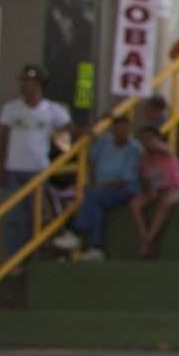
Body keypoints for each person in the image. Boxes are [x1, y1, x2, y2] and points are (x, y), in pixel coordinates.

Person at [0, 65, 69, 263]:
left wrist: (89, 129)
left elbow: (69, 128)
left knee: (35, 218)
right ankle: (15, 260)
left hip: (38, 171)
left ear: (40, 84)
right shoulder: (11, 108)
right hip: (14, 170)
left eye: (30, 81)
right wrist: (1, 167)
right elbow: (3, 139)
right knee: (12, 218)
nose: (26, 85)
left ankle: (32, 260)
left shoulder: (52, 109)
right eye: (24, 81)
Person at [59, 109, 142, 260]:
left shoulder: (134, 149)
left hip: (123, 190)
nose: (121, 131)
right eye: (118, 127)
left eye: (125, 128)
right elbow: (89, 137)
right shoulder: (105, 142)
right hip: (102, 190)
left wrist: (99, 187)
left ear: (130, 130)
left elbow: (125, 179)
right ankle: (95, 248)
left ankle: (75, 231)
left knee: (91, 196)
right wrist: (99, 119)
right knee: (95, 208)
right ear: (113, 129)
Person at [130, 123, 179, 259]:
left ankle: (147, 242)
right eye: (144, 139)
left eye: (150, 138)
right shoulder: (143, 161)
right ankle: (146, 238)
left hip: (178, 189)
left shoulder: (166, 151)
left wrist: (153, 143)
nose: (147, 141)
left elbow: (159, 147)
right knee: (134, 204)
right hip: (157, 190)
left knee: (165, 202)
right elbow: (146, 182)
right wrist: (151, 190)